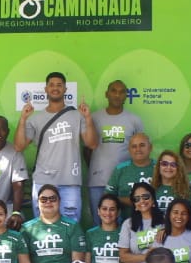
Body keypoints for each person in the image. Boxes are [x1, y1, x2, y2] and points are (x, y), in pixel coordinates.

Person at [15, 71, 98, 222]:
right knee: (42, 228)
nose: (55, 88)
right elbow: (19, 146)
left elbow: (91, 143)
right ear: (45, 89)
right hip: (43, 181)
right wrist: (23, 119)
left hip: (70, 182)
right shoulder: (36, 118)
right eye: (51, 85)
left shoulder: (77, 115)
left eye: (59, 85)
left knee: (70, 228)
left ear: (65, 89)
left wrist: (87, 117)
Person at [87, 79, 144, 218]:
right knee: (99, 222)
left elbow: (140, 150)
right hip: (98, 181)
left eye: (121, 92)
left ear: (126, 95)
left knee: (126, 224)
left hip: (124, 183)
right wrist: (96, 167)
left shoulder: (134, 120)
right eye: (113, 91)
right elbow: (87, 148)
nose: (117, 95)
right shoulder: (93, 118)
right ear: (107, 94)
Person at [22, 183, 88, 263]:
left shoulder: (72, 226)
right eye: (43, 199)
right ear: (37, 202)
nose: (48, 202)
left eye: (52, 199)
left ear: (59, 201)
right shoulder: (27, 229)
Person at [86, 192, 126, 263]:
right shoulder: (90, 234)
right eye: (104, 209)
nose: (108, 213)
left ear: (118, 212)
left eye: (112, 209)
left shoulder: (125, 232)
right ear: (98, 211)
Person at [105, 132, 155, 211]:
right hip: (126, 220)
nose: (138, 149)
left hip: (155, 218)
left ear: (150, 147)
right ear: (129, 150)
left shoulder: (160, 167)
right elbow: (108, 196)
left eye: (142, 145)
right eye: (134, 146)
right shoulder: (120, 169)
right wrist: (124, 200)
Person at [118, 181, 164, 263]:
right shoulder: (128, 224)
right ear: (134, 204)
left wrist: (167, 229)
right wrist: (147, 256)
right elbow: (123, 257)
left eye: (145, 197)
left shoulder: (165, 221)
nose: (142, 201)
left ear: (153, 199)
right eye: (137, 199)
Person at [152, 150, 191, 215]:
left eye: (173, 165)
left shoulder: (188, 190)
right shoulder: (151, 189)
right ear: (158, 166)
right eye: (164, 164)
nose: (168, 167)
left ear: (178, 168)